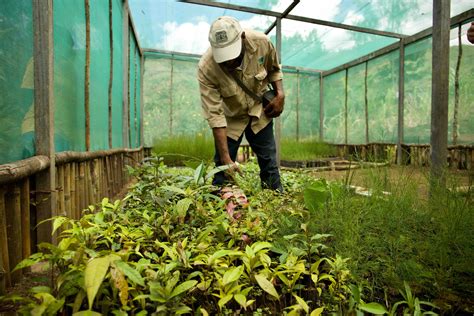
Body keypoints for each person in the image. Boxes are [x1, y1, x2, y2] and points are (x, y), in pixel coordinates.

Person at [197, 16, 285, 191]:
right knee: (222, 169)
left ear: (242, 38)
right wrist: (227, 160)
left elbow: (274, 69)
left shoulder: (262, 43)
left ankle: (275, 200)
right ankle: (220, 205)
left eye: (232, 54)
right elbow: (215, 116)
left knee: (269, 163)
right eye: (224, 57)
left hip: (259, 112)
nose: (229, 62)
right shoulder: (206, 68)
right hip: (231, 118)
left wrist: (280, 95)